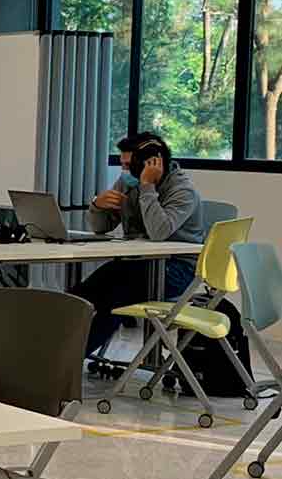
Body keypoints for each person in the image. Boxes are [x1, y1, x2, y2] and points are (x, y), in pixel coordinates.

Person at [71, 132, 204, 356]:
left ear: (151, 164)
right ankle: (45, 351)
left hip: (176, 269)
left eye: (128, 164)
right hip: (136, 263)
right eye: (122, 164)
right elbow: (101, 228)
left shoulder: (182, 190)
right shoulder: (127, 181)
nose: (123, 171)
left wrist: (147, 187)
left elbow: (158, 232)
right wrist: (97, 205)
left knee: (114, 302)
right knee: (80, 295)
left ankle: (69, 362)